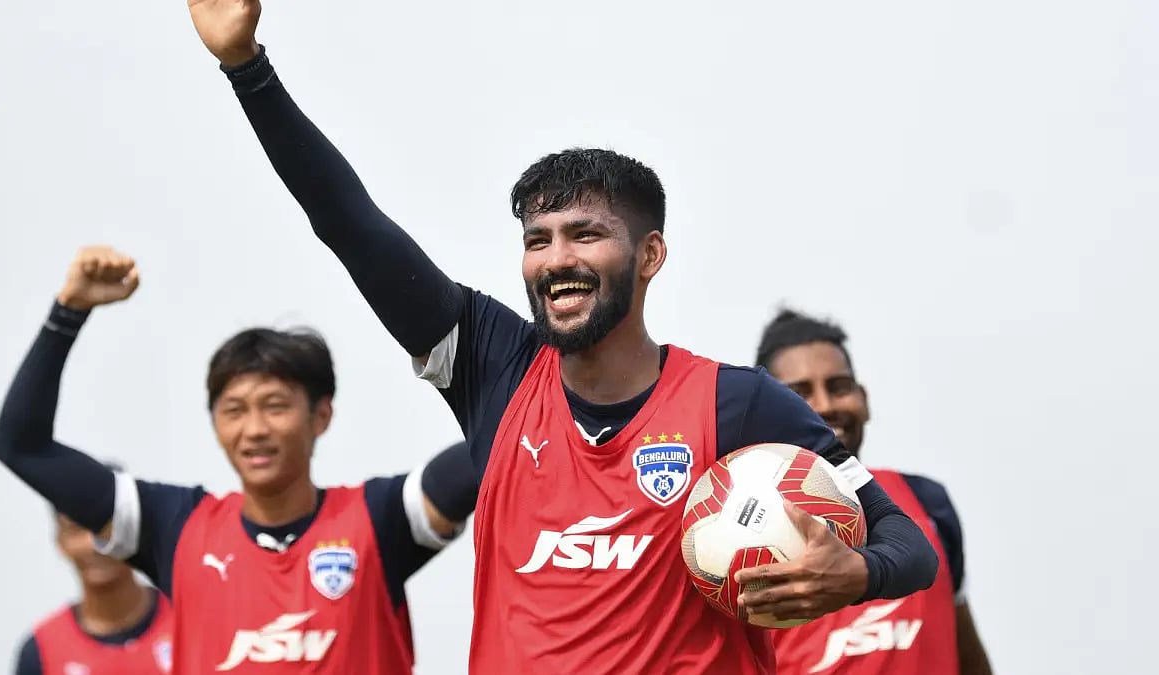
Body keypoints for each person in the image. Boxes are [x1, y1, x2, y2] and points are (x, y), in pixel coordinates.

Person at [186, 4, 939, 673]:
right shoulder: (492, 368)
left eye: (586, 234)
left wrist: (859, 573)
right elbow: (349, 224)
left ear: (649, 255)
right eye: (537, 238)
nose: (557, 260)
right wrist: (247, 69)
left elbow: (909, 541)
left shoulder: (736, 403)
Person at [0, 245, 480, 674]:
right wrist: (68, 311)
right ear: (215, 423)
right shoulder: (174, 528)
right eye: (233, 410)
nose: (254, 429)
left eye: (275, 406)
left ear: (321, 415)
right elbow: (21, 445)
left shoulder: (379, 518)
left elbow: (498, 441)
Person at [755, 308, 994, 675]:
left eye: (839, 387)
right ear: (769, 412)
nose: (825, 405)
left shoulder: (927, 502)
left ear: (863, 398)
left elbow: (964, 650)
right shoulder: (742, 528)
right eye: (799, 394)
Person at [14, 464, 174, 675]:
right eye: (76, 528)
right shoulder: (41, 652)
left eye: (105, 525)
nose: (93, 544)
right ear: (60, 541)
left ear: (136, 528)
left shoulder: (189, 621)